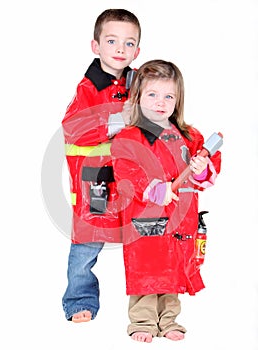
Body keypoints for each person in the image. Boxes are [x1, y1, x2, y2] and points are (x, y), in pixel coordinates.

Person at [111, 59, 221, 342]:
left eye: (169, 96)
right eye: (152, 95)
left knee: (174, 268)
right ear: (137, 97)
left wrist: (201, 168)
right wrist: (154, 189)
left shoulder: (190, 136)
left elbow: (210, 168)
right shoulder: (129, 138)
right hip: (146, 217)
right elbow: (125, 171)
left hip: (180, 217)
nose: (161, 102)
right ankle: (143, 321)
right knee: (147, 268)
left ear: (178, 99)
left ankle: (169, 319)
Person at [61, 9, 141, 323]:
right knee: (87, 244)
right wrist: (118, 121)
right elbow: (73, 127)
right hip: (95, 179)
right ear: (96, 46)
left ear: (137, 50)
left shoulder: (138, 82)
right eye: (112, 41)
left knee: (143, 238)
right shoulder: (88, 88)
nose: (120, 49)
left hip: (131, 177)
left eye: (129, 43)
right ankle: (79, 300)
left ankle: (146, 306)